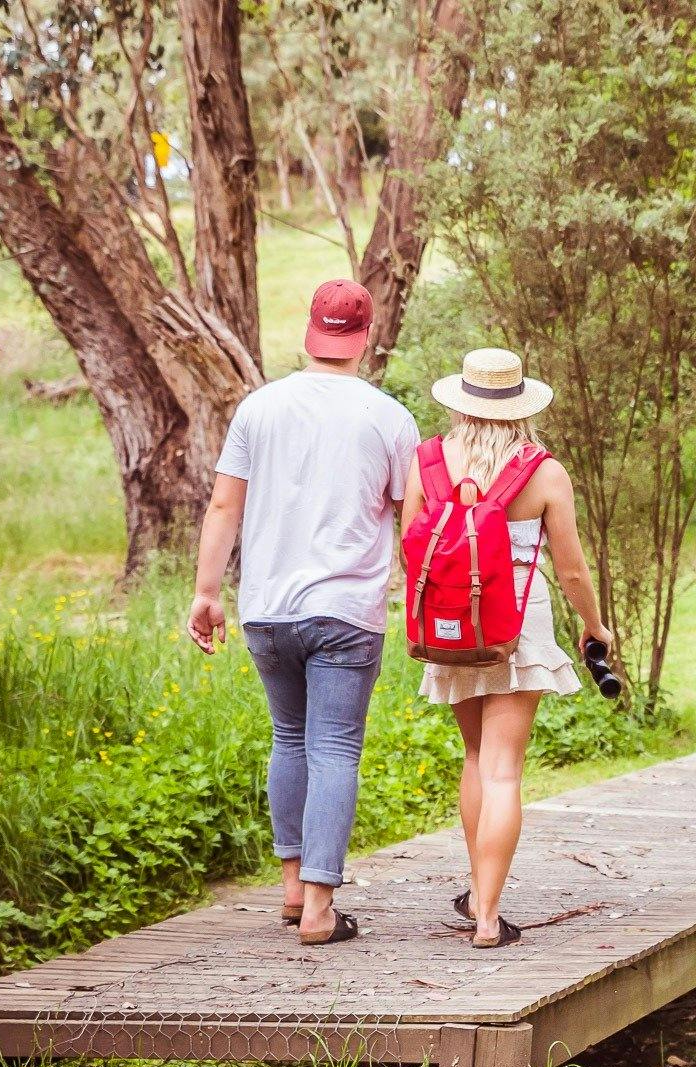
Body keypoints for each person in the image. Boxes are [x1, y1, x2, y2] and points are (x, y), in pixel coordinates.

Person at [187, 279, 420, 946]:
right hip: (347, 610)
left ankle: (292, 890)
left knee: (289, 737)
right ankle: (320, 909)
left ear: (310, 334)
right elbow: (412, 521)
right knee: (334, 747)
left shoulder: (259, 409)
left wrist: (207, 593)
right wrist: (420, 599)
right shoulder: (389, 418)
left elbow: (225, 506)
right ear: (366, 338)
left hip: (268, 609)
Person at [403, 348, 613, 948]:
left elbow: (411, 549)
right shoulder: (543, 472)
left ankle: (475, 895)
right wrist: (594, 626)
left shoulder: (429, 463)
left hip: (451, 625)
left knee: (474, 759)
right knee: (503, 773)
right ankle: (490, 917)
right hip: (518, 625)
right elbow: (571, 571)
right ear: (520, 406)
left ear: (461, 401)